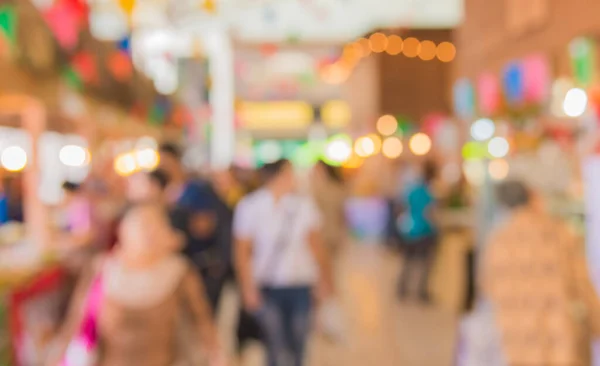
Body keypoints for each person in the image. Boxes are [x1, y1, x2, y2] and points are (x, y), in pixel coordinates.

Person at [49, 203, 223, 366]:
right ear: (123, 232)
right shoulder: (104, 269)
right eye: (142, 226)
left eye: (154, 226)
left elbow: (203, 321)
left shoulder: (178, 271)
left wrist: (217, 355)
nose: (148, 234)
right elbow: (75, 323)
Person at [482, 180, 600, 366]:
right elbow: (582, 283)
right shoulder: (559, 233)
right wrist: (596, 323)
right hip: (560, 331)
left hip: (518, 332)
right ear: (532, 197)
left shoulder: (498, 241)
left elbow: (489, 288)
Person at [234, 159, 333, 366]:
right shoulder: (250, 206)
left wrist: (325, 280)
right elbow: (242, 252)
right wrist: (247, 288)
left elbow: (316, 246)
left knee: (298, 340)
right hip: (268, 285)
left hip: (300, 285)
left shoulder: (304, 206)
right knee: (274, 342)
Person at [398, 160, 438, 302]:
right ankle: (421, 291)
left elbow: (403, 207)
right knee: (425, 263)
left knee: (408, 261)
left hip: (410, 230)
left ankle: (402, 288)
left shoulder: (412, 190)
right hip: (424, 230)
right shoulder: (429, 193)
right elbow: (431, 213)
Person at [311, 160, 347, 256]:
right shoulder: (316, 188)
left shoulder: (331, 190)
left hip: (330, 232)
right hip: (323, 233)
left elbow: (341, 213)